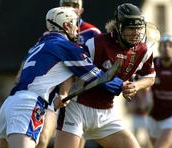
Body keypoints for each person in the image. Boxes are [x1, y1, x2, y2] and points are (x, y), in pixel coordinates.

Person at [0, 7, 123, 148]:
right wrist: (121, 86)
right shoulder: (66, 46)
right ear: (67, 25)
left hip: (10, 104)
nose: (77, 29)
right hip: (28, 105)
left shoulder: (40, 44)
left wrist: (60, 94)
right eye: (75, 24)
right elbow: (98, 77)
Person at [54, 3, 156, 148]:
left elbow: (150, 77)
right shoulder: (96, 43)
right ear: (119, 27)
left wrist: (136, 86)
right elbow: (71, 67)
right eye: (131, 28)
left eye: (139, 28)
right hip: (77, 108)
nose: (136, 33)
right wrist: (63, 92)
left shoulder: (143, 50)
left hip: (106, 113)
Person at [38, 1, 102, 147]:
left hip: (80, 95)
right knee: (42, 138)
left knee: (77, 143)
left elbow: (96, 66)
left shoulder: (92, 32)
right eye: (66, 3)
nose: (70, 7)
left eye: (74, 4)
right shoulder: (51, 33)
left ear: (81, 10)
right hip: (54, 92)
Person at [147, 33, 172, 148]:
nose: (166, 48)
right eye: (163, 45)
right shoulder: (151, 64)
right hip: (153, 115)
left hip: (171, 117)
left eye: (170, 45)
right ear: (159, 48)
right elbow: (138, 84)